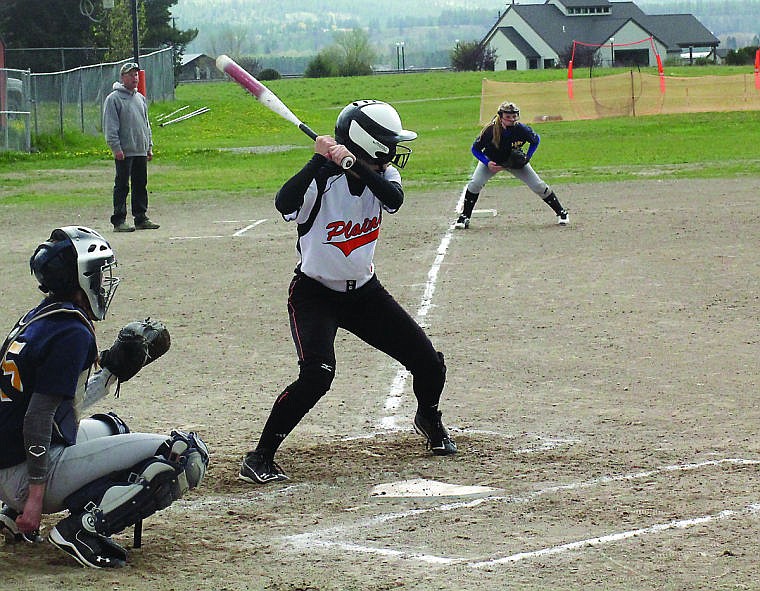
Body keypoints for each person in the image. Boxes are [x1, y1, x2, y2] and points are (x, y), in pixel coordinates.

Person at [239, 100, 457, 485]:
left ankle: (428, 417)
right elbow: (284, 202)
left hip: (364, 294)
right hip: (314, 293)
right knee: (317, 374)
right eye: (387, 144)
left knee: (429, 363)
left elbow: (394, 200)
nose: (393, 153)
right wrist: (320, 161)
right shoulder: (323, 180)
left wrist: (354, 164)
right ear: (367, 143)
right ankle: (260, 456)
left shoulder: (384, 177)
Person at [0, 226, 208, 568]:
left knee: (112, 427)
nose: (103, 281)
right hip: (26, 474)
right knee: (184, 453)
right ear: (79, 276)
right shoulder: (71, 332)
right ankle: (81, 530)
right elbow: (36, 419)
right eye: (97, 273)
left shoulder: (42, 316)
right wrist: (35, 499)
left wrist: (110, 371)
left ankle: (10, 511)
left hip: (9, 462)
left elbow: (55, 403)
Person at [455, 100, 569, 229]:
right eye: (508, 116)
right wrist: (487, 163)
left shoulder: (521, 129)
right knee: (475, 184)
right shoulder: (490, 130)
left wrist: (528, 157)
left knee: (538, 185)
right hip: (493, 161)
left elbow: (535, 140)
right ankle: (464, 217)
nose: (512, 119)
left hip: (514, 162)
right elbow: (475, 149)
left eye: (514, 116)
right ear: (501, 116)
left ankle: (561, 212)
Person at [103, 63, 160, 232]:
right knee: (122, 185)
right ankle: (119, 220)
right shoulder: (113, 99)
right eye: (131, 75)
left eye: (136, 75)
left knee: (140, 184)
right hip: (124, 151)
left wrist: (149, 145)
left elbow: (146, 124)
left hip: (140, 149)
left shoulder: (140, 98)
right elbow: (110, 126)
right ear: (123, 78)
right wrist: (116, 148)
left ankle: (140, 217)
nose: (135, 78)